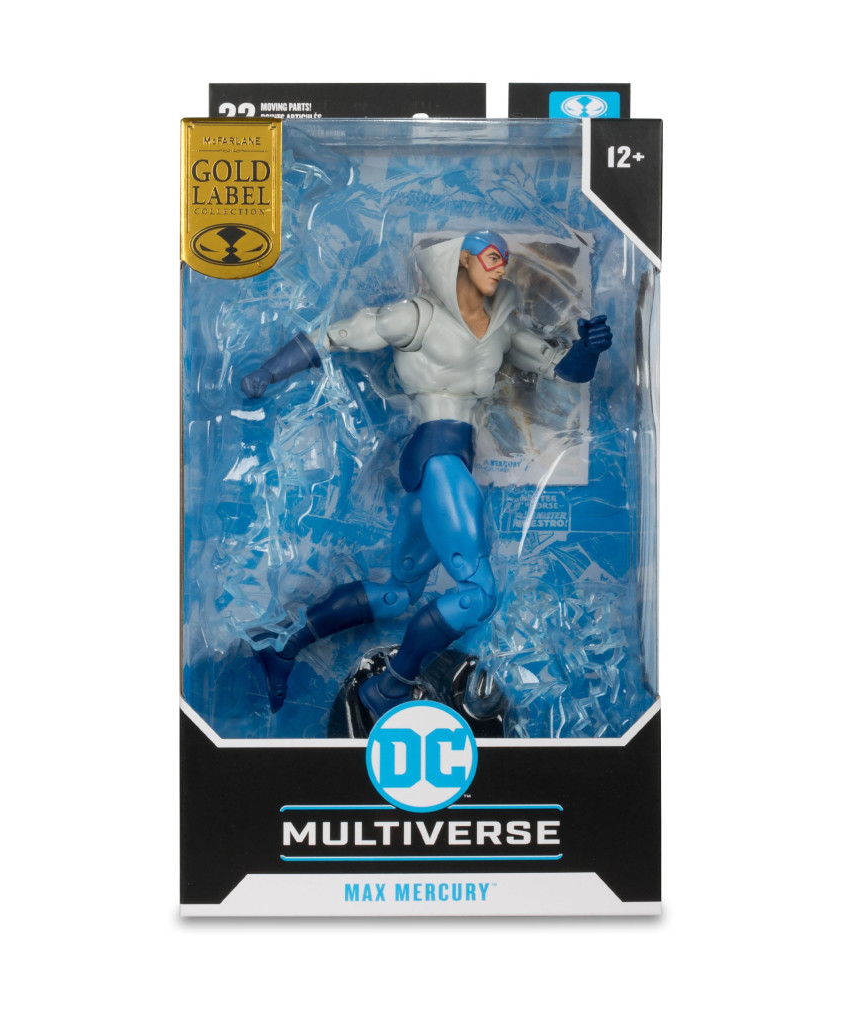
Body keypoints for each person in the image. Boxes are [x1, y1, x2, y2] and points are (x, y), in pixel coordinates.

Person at [239, 230, 612, 720]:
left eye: (504, 258)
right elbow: (338, 335)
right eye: (492, 257)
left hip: (451, 459)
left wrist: (590, 349)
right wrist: (268, 372)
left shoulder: (501, 325)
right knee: (479, 596)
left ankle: (282, 644)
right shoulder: (419, 316)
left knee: (400, 593)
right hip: (437, 456)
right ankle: (390, 689)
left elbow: (563, 368)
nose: (501, 266)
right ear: (462, 260)